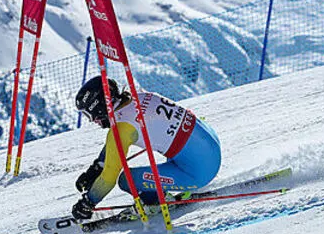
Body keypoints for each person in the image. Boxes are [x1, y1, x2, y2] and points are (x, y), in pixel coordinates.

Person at [70, 75, 221, 221]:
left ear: (99, 108)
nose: (92, 121)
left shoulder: (121, 130)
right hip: (210, 146)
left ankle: (156, 203)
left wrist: (88, 202)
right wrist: (97, 167)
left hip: (200, 173)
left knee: (127, 180)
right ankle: (164, 191)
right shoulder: (139, 97)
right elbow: (115, 145)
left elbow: (109, 178)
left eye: (89, 115)